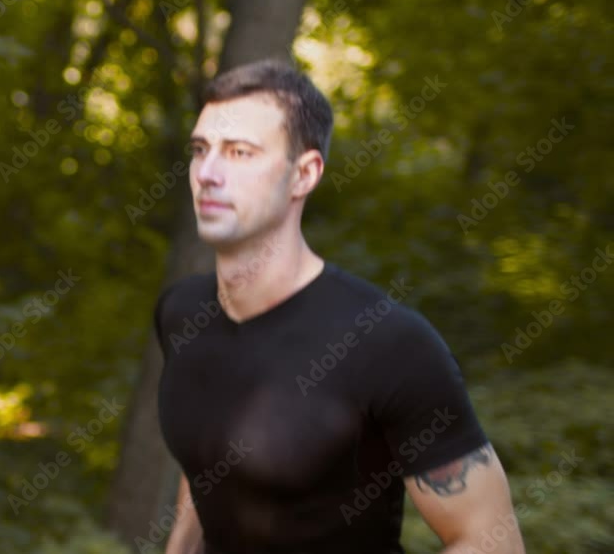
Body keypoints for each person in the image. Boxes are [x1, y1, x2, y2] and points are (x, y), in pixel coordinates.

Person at [154, 59, 525, 554]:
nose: (209, 173)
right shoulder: (182, 313)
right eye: (201, 150)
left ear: (304, 174)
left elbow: (489, 541)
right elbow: (203, 469)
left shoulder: (389, 344)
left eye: (240, 153)